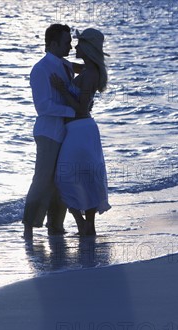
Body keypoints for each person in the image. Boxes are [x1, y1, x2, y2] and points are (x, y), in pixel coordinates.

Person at [50, 28, 111, 236]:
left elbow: (81, 108)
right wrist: (55, 60)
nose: (75, 47)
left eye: (79, 44)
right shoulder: (87, 70)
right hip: (81, 130)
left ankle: (82, 224)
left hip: (79, 130)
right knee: (85, 177)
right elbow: (68, 65)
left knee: (64, 177)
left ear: (87, 48)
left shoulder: (90, 74)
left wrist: (62, 89)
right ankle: (87, 226)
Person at [22, 24, 77, 240]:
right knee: (43, 179)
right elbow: (42, 107)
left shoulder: (66, 66)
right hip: (48, 133)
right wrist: (71, 111)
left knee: (61, 179)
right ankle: (28, 225)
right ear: (53, 44)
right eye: (66, 42)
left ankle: (55, 225)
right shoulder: (41, 69)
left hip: (66, 132)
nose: (70, 46)